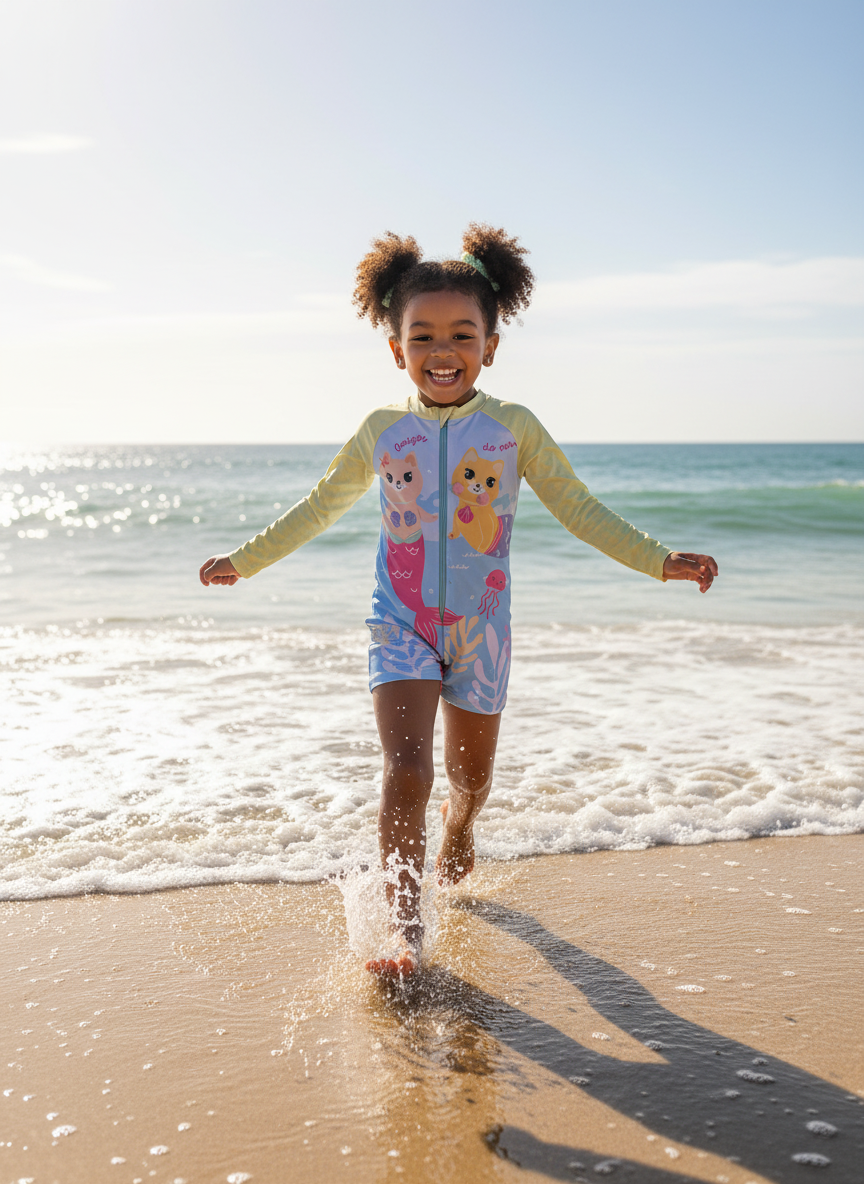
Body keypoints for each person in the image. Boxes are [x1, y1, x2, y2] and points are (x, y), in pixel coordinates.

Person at [199, 225, 718, 979]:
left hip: (483, 631)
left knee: (468, 782)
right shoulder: (383, 432)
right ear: (396, 349)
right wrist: (245, 561)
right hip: (399, 623)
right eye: (423, 336)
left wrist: (657, 560)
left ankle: (462, 829)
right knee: (405, 769)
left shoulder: (513, 429)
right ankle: (404, 931)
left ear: (492, 344)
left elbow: (580, 508)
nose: (443, 350)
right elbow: (318, 506)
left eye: (462, 334)